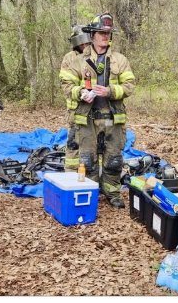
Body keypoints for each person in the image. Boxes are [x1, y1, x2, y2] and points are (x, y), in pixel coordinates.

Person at [58, 13, 135, 208]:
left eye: (108, 33)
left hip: (112, 117)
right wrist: (80, 92)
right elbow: (66, 85)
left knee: (113, 159)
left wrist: (110, 91)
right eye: (101, 33)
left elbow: (129, 86)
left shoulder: (120, 60)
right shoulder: (77, 60)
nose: (105, 36)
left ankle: (112, 192)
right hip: (88, 118)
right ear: (92, 35)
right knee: (87, 160)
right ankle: (90, 192)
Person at [60, 25, 93, 171]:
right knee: (74, 145)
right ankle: (71, 176)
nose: (84, 45)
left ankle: (92, 175)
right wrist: (81, 92)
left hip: (96, 110)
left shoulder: (97, 55)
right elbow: (66, 86)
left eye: (87, 41)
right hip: (76, 111)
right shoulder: (70, 59)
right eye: (81, 42)